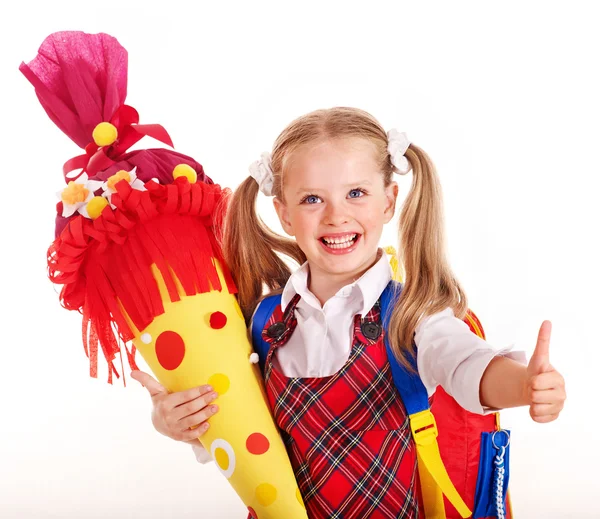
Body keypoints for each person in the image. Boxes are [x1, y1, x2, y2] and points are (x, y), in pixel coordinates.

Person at [132, 107, 566, 517]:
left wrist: (525, 386)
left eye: (356, 193)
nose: (337, 216)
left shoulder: (415, 316)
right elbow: (233, 428)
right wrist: (173, 420)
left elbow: (467, 367)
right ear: (284, 214)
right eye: (312, 200)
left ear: (388, 201)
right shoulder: (262, 324)